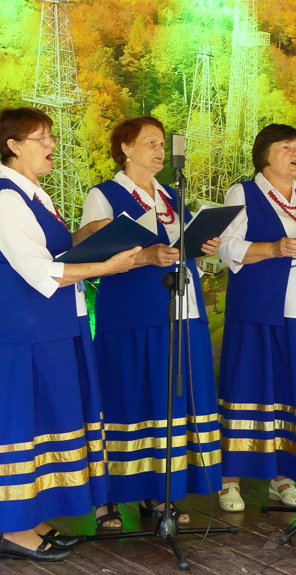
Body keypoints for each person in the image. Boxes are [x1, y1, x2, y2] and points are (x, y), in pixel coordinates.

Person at [0, 107, 139, 561]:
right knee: (25, 424)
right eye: (40, 138)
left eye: (51, 136)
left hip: (54, 326)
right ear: (13, 145)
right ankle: (12, 527)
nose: (51, 145)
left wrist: (87, 234)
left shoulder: (33, 194)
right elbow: (38, 269)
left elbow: (52, 250)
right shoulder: (5, 197)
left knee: (47, 424)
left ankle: (29, 515)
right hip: (27, 332)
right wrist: (107, 265)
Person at [80, 116, 222, 529]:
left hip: (180, 310)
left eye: (163, 144)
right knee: (128, 399)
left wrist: (200, 247)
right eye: (151, 143)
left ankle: (157, 494)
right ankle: (105, 499)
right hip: (131, 315)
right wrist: (146, 255)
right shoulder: (103, 195)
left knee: (168, 404)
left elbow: (183, 252)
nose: (160, 151)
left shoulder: (173, 196)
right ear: (125, 148)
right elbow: (91, 258)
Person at [216, 124, 296, 511]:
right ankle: (229, 481)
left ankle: (282, 477)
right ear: (264, 155)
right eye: (286, 147)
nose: (295, 153)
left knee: (292, 390)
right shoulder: (243, 192)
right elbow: (224, 246)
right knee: (249, 387)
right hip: (260, 307)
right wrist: (271, 248)